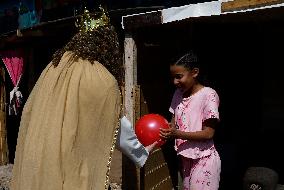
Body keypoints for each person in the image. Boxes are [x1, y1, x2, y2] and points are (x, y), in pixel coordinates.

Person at [11, 8, 156, 190]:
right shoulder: (102, 78)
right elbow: (116, 125)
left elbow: (31, 110)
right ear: (108, 44)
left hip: (41, 159)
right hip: (74, 162)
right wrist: (140, 153)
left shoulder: (53, 66)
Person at [160, 51, 221, 190]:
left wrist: (177, 134)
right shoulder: (178, 94)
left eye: (179, 77)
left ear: (194, 72)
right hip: (185, 159)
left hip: (204, 159)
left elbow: (208, 133)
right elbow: (173, 124)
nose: (175, 82)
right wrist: (165, 130)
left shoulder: (208, 95)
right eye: (173, 77)